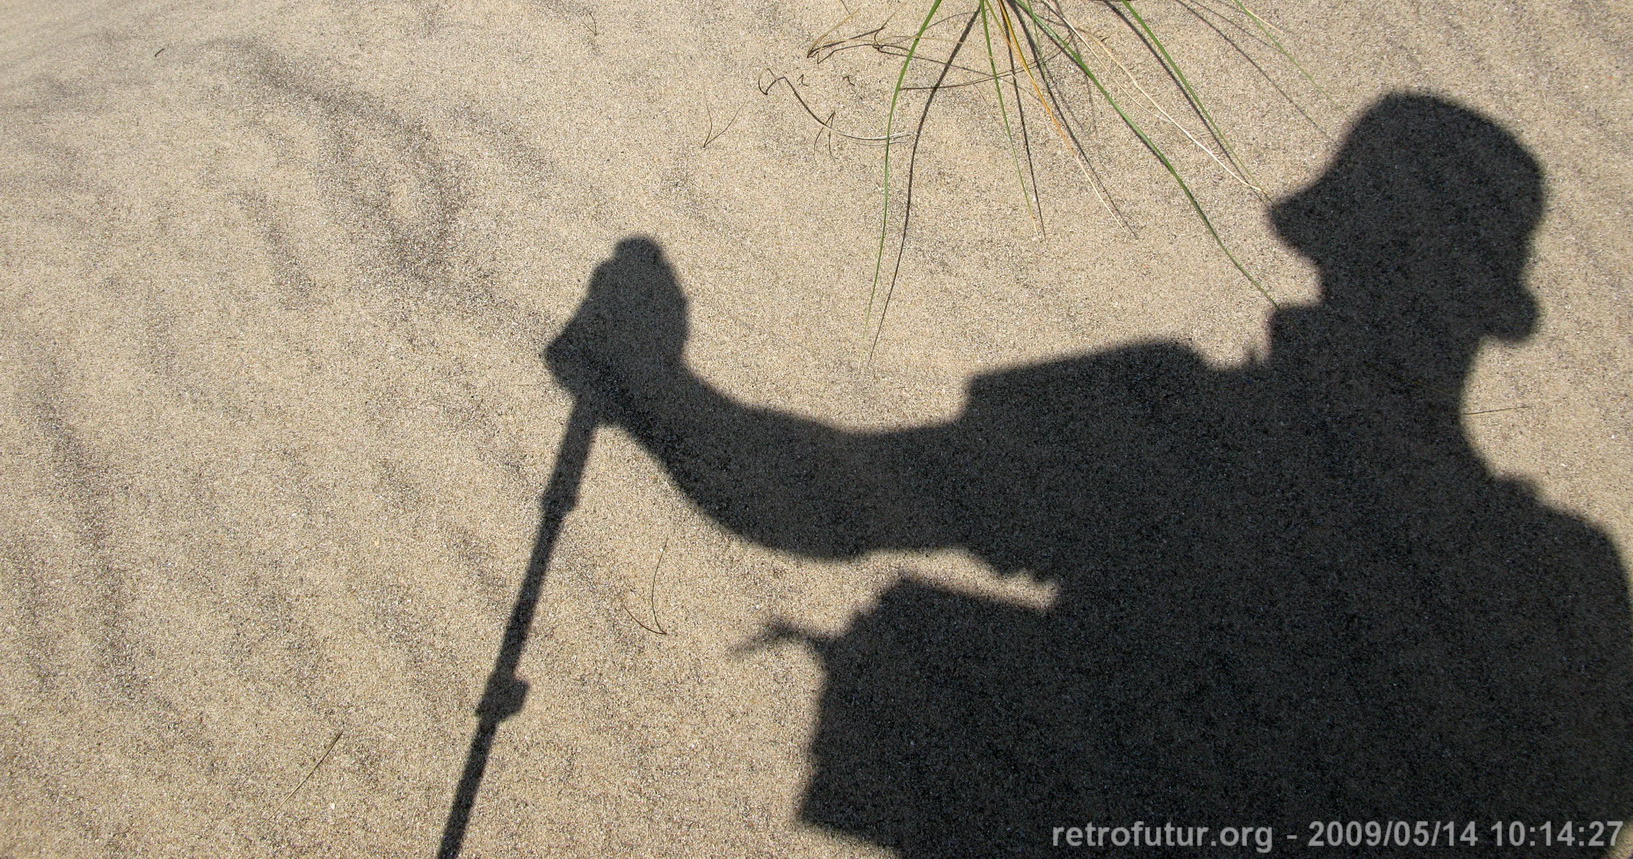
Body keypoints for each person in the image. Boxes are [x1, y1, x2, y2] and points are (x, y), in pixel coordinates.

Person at [547, 95, 1633, 856]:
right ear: (1489, 311)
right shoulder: (1577, 585)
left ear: (1323, 247)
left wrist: (639, 376)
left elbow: (814, 499)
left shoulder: (1171, 428)